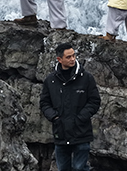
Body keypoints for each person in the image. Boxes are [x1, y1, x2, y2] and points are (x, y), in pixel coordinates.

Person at [40, 42, 100, 171]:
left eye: (74, 55)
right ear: (59, 59)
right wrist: (55, 117)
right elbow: (44, 103)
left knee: (80, 168)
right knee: (63, 169)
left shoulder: (87, 78)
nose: (72, 59)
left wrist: (80, 118)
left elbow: (94, 101)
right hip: (60, 134)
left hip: (81, 132)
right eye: (68, 57)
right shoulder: (50, 80)